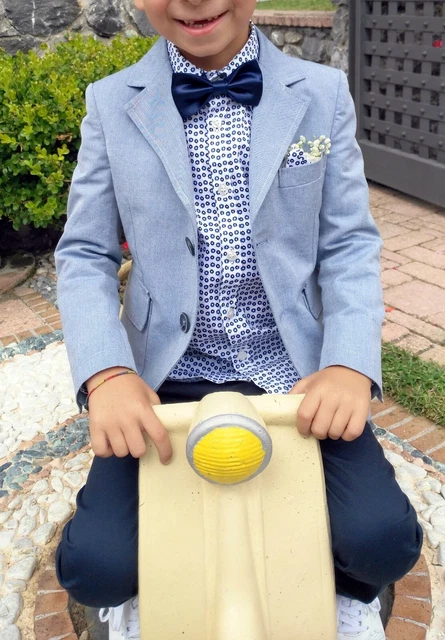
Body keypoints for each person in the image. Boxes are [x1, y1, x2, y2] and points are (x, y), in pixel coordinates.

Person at [54, 1, 423, 638]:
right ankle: (149, 587)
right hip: (163, 382)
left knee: (382, 542)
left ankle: (342, 591)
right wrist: (107, 373)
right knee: (96, 568)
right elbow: (85, 253)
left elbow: (347, 245)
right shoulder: (111, 103)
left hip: (296, 377)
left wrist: (347, 364)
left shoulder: (321, 92)